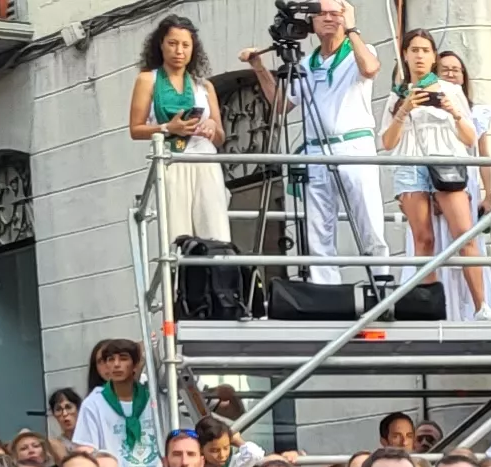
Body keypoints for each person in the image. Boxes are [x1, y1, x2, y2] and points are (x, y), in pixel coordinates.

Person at [248, 0, 392, 286]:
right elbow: (282, 105)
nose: (328, 19)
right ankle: (326, 290)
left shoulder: (359, 50)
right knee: (318, 228)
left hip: (354, 146)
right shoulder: (305, 62)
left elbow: (371, 68)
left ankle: (382, 285)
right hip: (315, 150)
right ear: (311, 22)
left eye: (334, 13)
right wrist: (259, 67)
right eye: (321, 14)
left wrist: (352, 28)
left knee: (369, 221)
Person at [131, 14, 232, 259]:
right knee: (177, 233)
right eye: (173, 43)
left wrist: (210, 125)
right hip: (171, 160)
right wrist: (168, 128)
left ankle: (217, 288)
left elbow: (220, 137)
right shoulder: (148, 79)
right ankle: (181, 291)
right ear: (161, 45)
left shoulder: (204, 86)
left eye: (185, 45)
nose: (179, 51)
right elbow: (135, 129)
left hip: (205, 160)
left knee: (215, 229)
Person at [68, 338, 170, 467]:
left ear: (135, 365)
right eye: (110, 360)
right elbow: (85, 451)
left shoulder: (155, 397)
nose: (116, 365)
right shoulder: (94, 403)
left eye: (123, 359)